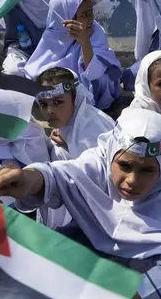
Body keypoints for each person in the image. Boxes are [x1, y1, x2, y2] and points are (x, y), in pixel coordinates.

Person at [0, 108, 161, 299]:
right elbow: (60, 175)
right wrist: (29, 179)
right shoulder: (98, 166)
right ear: (111, 154)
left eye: (147, 170)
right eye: (124, 165)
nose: (132, 180)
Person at [33, 66, 116, 229]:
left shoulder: (92, 130)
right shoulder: (69, 125)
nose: (50, 111)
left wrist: (65, 148)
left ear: (75, 98)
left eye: (58, 102)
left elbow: (103, 180)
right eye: (43, 104)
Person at [23, 0, 122, 110]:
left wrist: (85, 42)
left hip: (88, 85)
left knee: (102, 79)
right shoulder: (53, 35)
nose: (91, 19)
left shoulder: (96, 33)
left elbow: (94, 73)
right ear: (65, 17)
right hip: (62, 86)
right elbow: (38, 71)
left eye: (91, 12)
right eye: (84, 15)